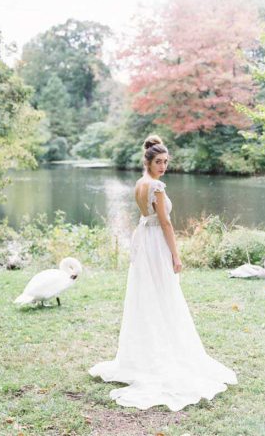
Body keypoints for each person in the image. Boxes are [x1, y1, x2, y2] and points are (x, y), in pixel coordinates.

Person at [88, 134, 238, 411]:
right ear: (148, 161)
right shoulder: (155, 186)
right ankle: (161, 354)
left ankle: (146, 353)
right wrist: (176, 254)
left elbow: (145, 218)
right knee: (163, 294)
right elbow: (166, 224)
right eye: (159, 161)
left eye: (166, 161)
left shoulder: (139, 184)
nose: (164, 166)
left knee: (148, 294)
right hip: (156, 243)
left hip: (145, 240)